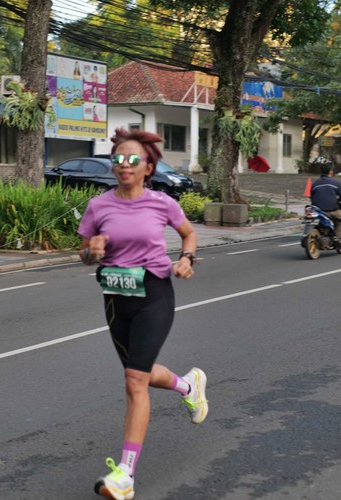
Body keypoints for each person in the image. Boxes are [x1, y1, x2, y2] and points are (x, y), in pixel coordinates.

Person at [78, 127, 208, 500]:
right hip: (116, 298)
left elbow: (189, 234)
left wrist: (186, 259)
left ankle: (125, 475)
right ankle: (188, 386)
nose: (124, 164)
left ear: (148, 167)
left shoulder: (161, 203)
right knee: (141, 373)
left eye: (133, 159)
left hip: (154, 293)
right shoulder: (98, 206)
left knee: (134, 380)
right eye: (118, 158)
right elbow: (84, 253)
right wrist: (92, 252)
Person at [310, 158, 341, 247]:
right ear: (331, 172)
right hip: (331, 210)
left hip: (317, 210)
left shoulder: (315, 183)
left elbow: (311, 196)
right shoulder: (335, 182)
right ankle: (337, 239)